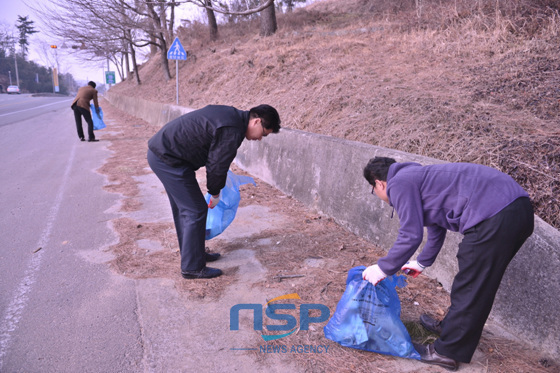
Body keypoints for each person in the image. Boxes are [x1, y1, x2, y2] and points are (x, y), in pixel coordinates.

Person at [362, 156, 534, 371]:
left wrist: (382, 268)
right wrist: (422, 263)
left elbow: (410, 234)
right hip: (518, 210)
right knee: (475, 283)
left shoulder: (399, 183)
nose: (378, 196)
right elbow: (435, 225)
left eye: (374, 191)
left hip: (495, 215)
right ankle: (450, 330)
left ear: (379, 183)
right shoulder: (419, 178)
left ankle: (446, 352)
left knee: (472, 286)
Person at [147, 104, 281, 279]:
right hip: (168, 159)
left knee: (186, 209)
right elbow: (217, 165)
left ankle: (194, 255)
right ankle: (192, 268)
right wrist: (215, 193)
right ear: (257, 121)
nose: (260, 139)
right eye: (263, 134)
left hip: (166, 154)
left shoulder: (232, 118)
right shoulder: (232, 129)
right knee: (195, 210)